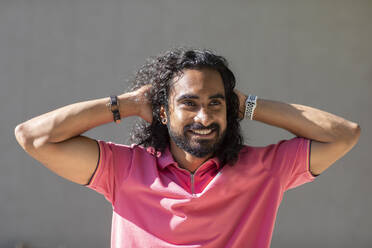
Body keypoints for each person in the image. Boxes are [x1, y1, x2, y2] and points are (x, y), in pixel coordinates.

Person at [14, 47, 360, 248]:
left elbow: (344, 134)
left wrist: (248, 104)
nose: (204, 116)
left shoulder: (264, 170)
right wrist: (131, 103)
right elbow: (33, 137)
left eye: (216, 103)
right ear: (163, 112)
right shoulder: (124, 170)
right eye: (189, 103)